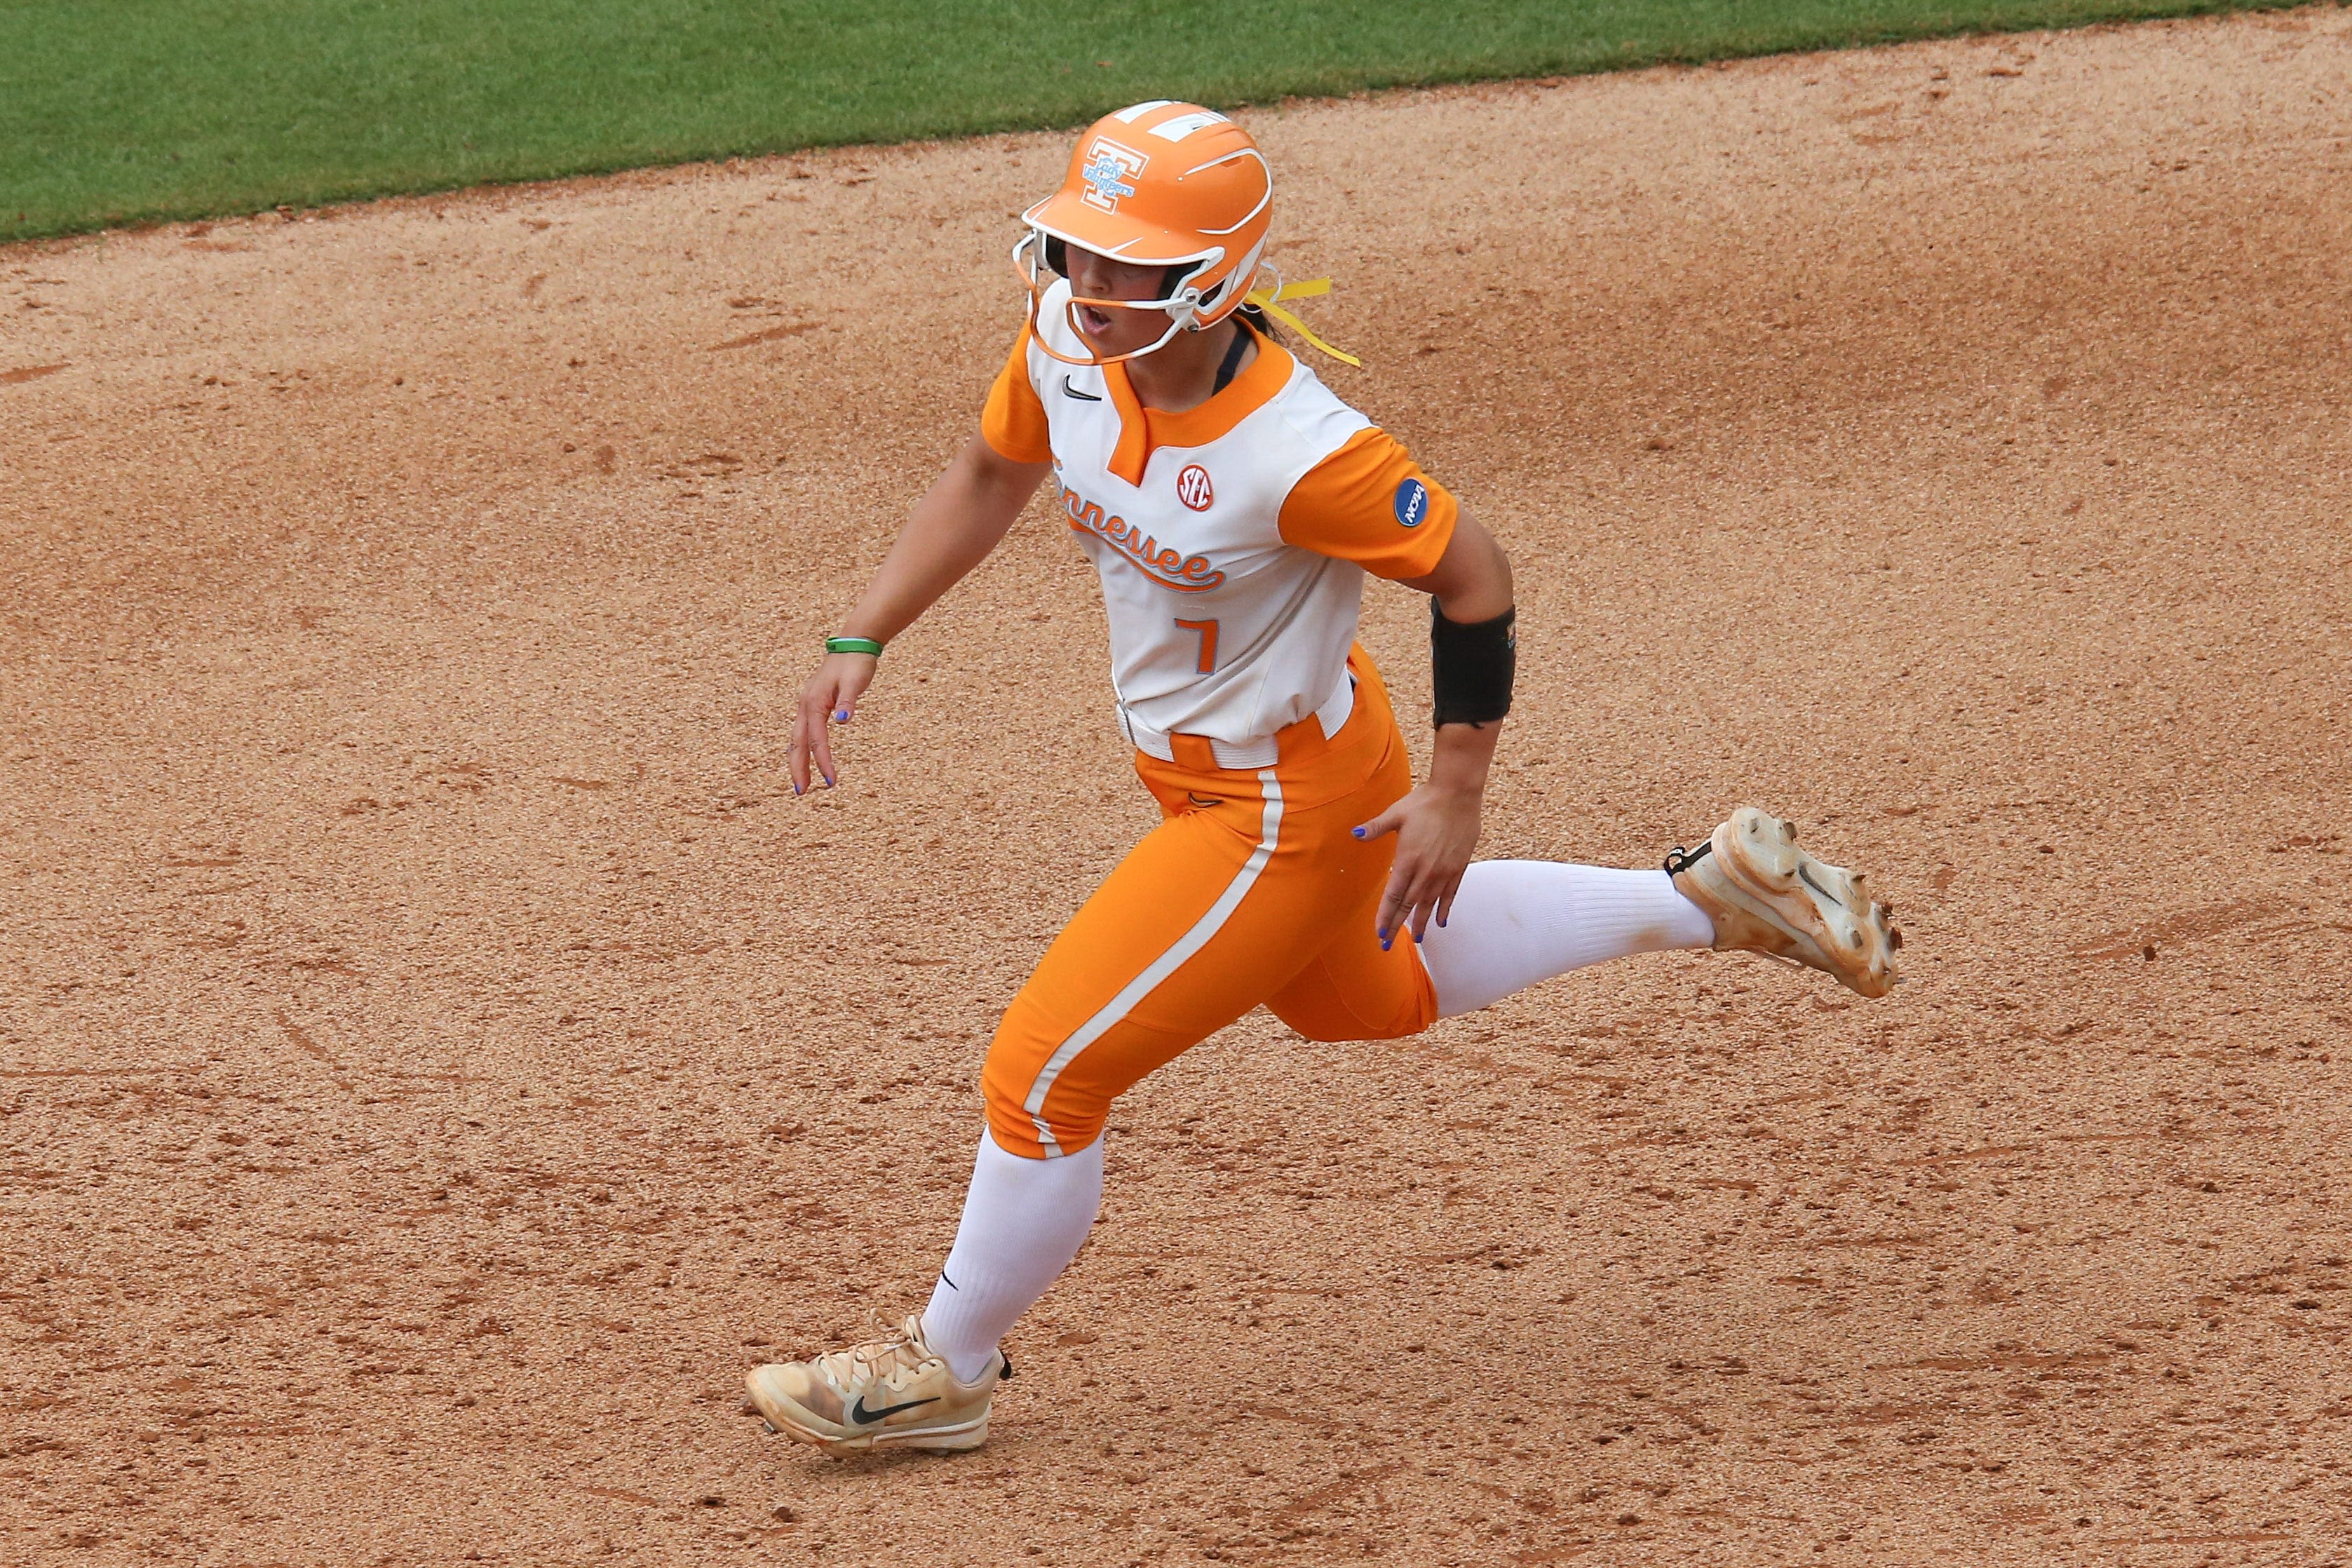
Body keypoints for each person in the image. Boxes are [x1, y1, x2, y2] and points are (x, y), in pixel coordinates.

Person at [744, 100, 1901, 1455]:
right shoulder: (1065, 339)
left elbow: (1476, 578)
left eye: (1131, 268)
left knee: (1045, 1076)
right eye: (1077, 253)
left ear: (1217, 277)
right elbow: (991, 468)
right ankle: (1708, 898)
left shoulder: (1298, 451)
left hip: (1276, 806)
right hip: (1248, 772)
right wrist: (862, 630)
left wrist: (1460, 787)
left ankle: (942, 1371)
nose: (1092, 289)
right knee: (1367, 999)